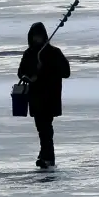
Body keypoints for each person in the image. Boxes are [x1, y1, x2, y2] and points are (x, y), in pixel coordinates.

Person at [19, 21, 71, 169]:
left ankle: (47, 157)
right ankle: (45, 155)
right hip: (35, 97)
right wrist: (30, 76)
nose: (36, 39)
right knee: (42, 127)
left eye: (39, 36)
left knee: (45, 127)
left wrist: (46, 68)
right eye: (34, 37)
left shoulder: (54, 53)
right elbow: (21, 72)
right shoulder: (29, 54)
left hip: (50, 96)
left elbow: (66, 72)